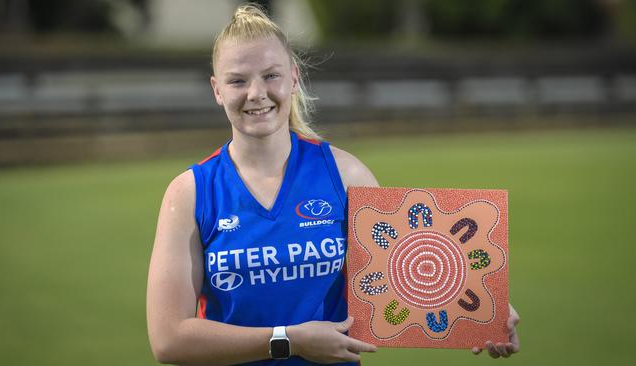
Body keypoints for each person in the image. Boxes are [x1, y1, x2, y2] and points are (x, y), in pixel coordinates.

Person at [146, 4, 520, 365]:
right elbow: (169, 339)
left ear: (293, 77)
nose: (256, 93)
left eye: (270, 75)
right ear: (217, 89)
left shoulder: (345, 174)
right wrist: (287, 341)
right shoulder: (190, 193)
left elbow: (405, 268)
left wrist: (485, 308)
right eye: (237, 80)